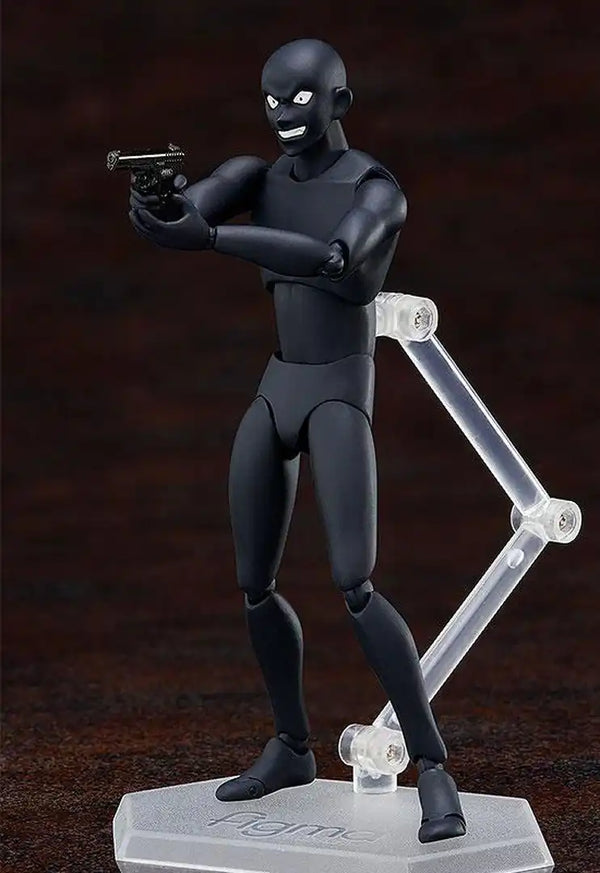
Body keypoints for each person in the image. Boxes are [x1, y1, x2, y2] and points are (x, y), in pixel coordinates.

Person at [129, 38, 466, 843]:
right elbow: (189, 212)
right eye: (272, 99)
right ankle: (291, 745)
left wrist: (212, 240)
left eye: (301, 99)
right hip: (278, 386)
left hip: (340, 392)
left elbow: (335, 259)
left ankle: (434, 767)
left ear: (339, 102)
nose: (283, 113)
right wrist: (157, 203)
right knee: (254, 582)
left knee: (356, 583)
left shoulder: (376, 188)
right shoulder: (259, 175)